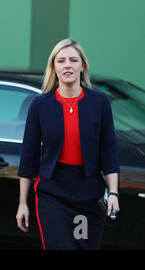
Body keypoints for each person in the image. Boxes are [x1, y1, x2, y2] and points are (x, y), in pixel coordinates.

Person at [15, 38, 120, 250]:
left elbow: (109, 152)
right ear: (54, 66)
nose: (67, 65)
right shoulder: (40, 105)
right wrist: (22, 203)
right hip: (54, 194)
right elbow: (29, 156)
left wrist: (114, 193)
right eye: (61, 61)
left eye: (73, 60)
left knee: (83, 247)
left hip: (88, 195)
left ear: (82, 65)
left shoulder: (99, 103)